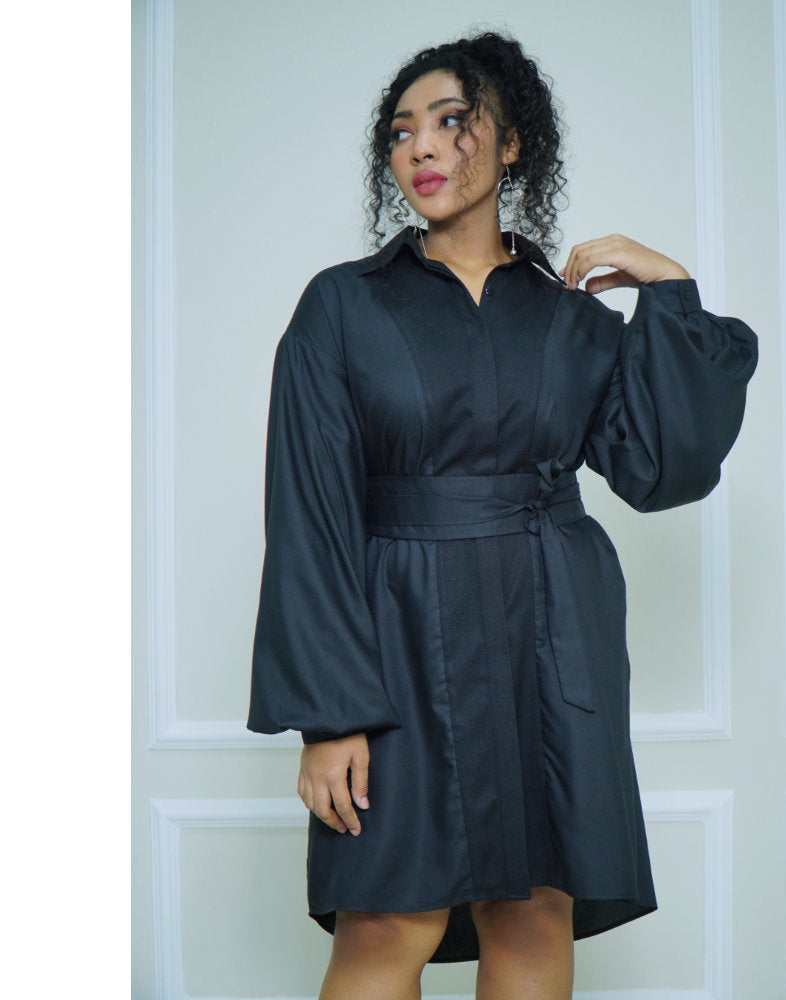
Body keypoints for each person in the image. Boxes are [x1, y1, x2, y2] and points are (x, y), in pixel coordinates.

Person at [248, 30, 758, 1000]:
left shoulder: (571, 320)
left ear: (512, 142)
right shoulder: (342, 308)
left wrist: (669, 289)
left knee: (531, 911)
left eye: (451, 121)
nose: (422, 148)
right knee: (385, 921)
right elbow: (308, 512)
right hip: (395, 644)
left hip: (551, 632)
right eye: (402, 132)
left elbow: (659, 467)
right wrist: (329, 715)